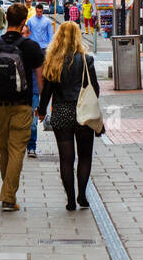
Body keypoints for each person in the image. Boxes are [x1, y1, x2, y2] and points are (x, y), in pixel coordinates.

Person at [0, 3, 44, 211]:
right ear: (24, 21)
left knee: (4, 150)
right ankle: (8, 197)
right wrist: (42, 106)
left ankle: (8, 192)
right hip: (22, 105)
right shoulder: (31, 47)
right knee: (17, 150)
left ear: (6, 19)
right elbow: (40, 79)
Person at [37, 22, 101, 210]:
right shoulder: (86, 59)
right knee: (85, 156)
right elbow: (94, 89)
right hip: (83, 113)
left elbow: (47, 91)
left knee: (66, 158)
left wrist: (41, 111)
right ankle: (82, 195)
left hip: (62, 111)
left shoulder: (52, 60)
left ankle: (70, 200)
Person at [25, 4, 56, 158]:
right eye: (37, 10)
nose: (38, 12)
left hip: (43, 48)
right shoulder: (30, 21)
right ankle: (26, 144)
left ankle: (31, 146)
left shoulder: (46, 22)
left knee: (32, 120)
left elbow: (50, 36)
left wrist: (49, 49)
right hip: (35, 47)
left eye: (40, 11)